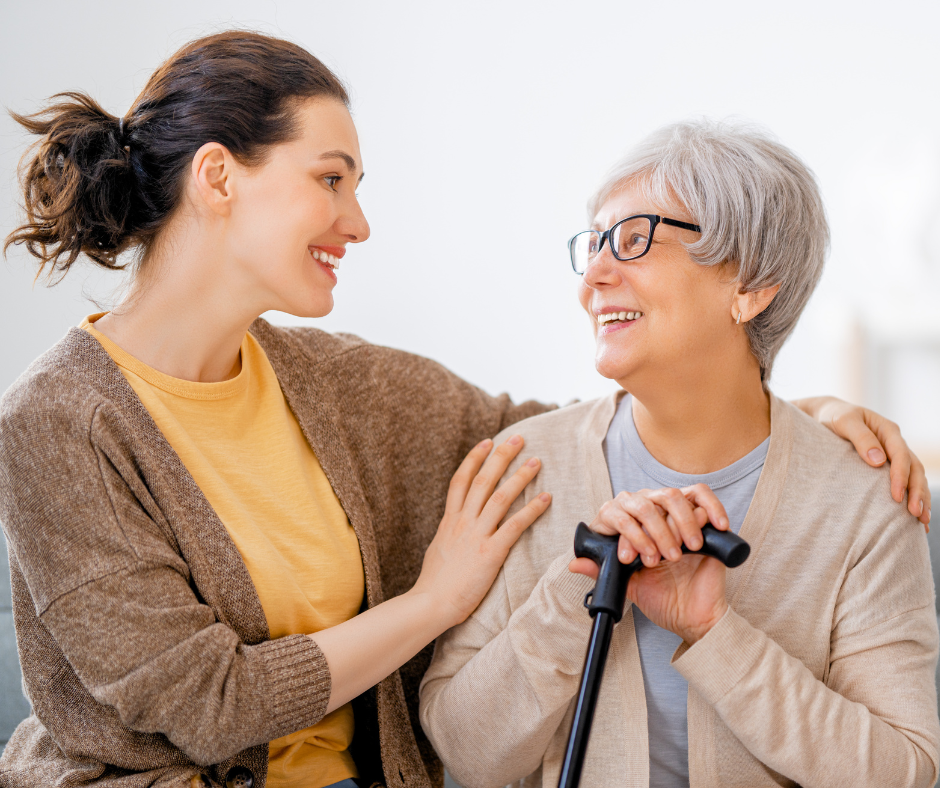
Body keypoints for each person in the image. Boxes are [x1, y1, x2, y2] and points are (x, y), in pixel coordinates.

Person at [0, 32, 928, 788]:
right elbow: (208, 704)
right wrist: (436, 599)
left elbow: (572, 429)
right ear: (218, 177)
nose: (358, 221)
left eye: (354, 187)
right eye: (332, 179)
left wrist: (791, 410)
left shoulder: (340, 385)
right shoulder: (56, 423)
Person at [419, 121, 940, 788]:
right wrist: (573, 592)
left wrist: (716, 633)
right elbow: (465, 754)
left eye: (635, 240)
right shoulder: (525, 470)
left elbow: (903, 772)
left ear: (751, 284)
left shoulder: (866, 500)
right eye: (596, 244)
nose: (595, 277)